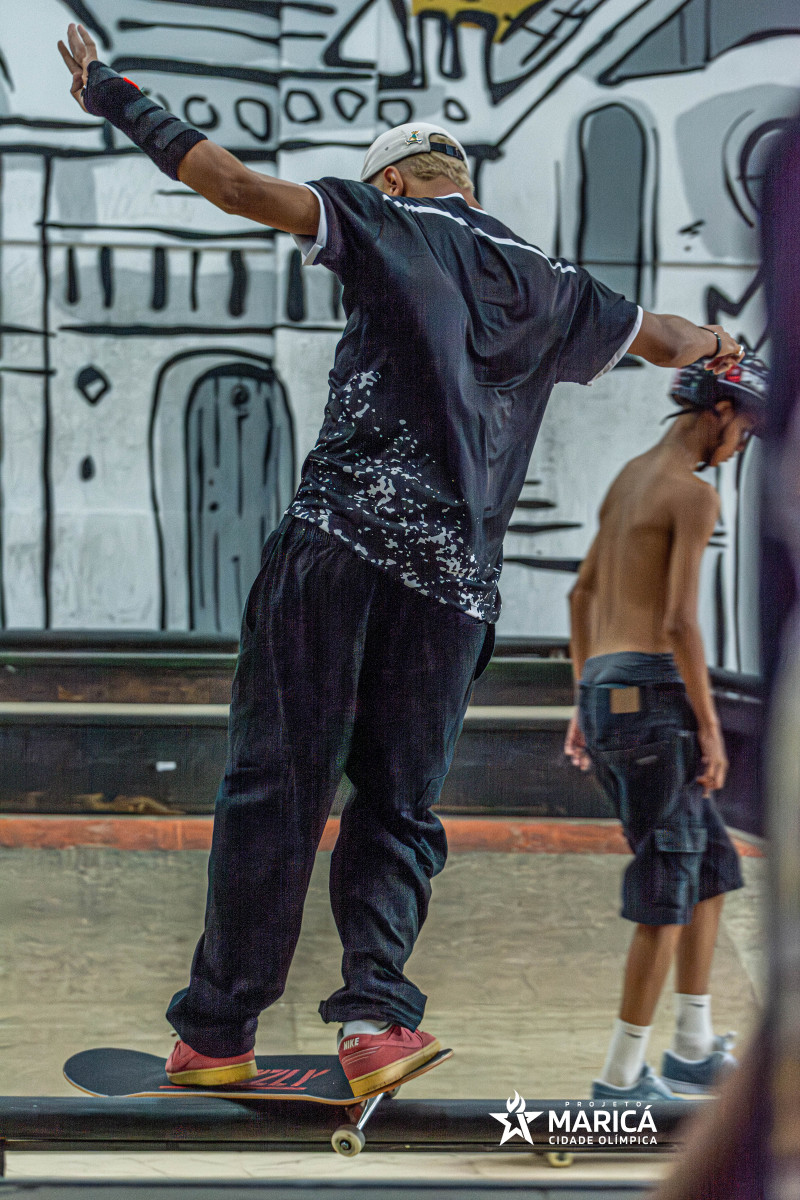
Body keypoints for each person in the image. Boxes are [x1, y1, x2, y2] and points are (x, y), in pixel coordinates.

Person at [58, 22, 746, 1098]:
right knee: (399, 805)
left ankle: (217, 1033)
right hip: (455, 586)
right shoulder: (556, 284)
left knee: (277, 785)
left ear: (390, 179)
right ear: (466, 186)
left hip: (339, 545)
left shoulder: (382, 220)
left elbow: (232, 184)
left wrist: (111, 92)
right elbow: (665, 337)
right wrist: (716, 347)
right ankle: (376, 1019)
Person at [565, 354, 769, 1100]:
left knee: (711, 867)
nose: (742, 446)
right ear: (720, 411)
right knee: (668, 885)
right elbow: (681, 621)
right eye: (745, 431)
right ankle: (620, 1079)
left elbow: (581, 595)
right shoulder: (692, 493)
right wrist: (711, 729)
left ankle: (691, 1047)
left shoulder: (629, 477)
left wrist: (584, 702)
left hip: (610, 691)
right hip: (655, 701)